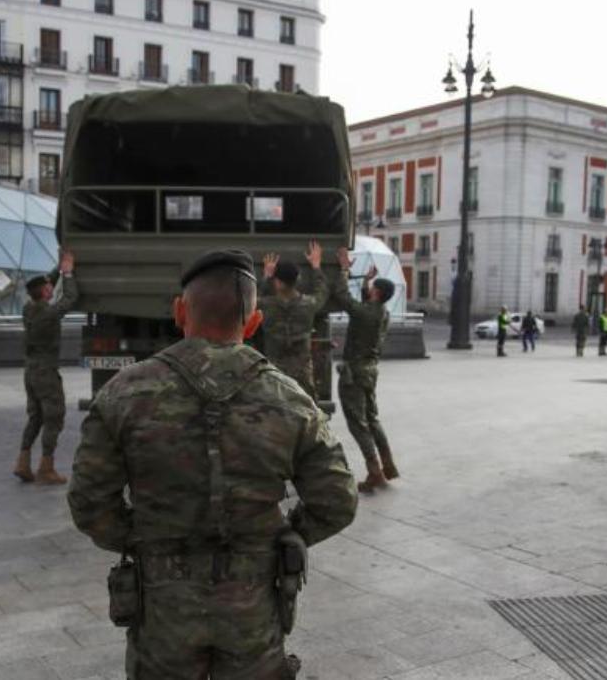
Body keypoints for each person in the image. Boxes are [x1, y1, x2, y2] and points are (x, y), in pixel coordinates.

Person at [68, 249, 357, 679]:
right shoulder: (293, 401)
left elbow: (89, 503)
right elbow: (337, 500)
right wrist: (286, 535)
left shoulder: (123, 394)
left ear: (180, 312)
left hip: (162, 607)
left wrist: (143, 538)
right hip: (253, 602)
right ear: (255, 322)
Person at [331, 248, 397, 493]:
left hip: (355, 373)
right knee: (372, 419)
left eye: (372, 288)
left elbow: (342, 295)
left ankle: (374, 473)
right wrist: (368, 281)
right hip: (370, 371)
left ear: (376, 293)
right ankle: (388, 466)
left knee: (358, 423)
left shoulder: (365, 313)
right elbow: (364, 305)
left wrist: (344, 268)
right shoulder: (382, 313)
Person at [14, 250, 78, 485]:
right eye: (48, 287)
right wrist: (68, 273)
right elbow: (70, 298)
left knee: (35, 417)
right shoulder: (49, 314)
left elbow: (46, 284)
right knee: (54, 416)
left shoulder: (29, 309)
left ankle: (22, 462)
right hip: (46, 372)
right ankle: (46, 467)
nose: (51, 287)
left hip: (30, 371)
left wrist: (59, 268)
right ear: (45, 292)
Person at [257, 241, 328, 398]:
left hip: (274, 372)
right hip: (301, 372)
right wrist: (316, 266)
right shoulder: (309, 304)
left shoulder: (266, 305)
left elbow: (251, 301)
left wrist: (266, 277)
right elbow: (322, 291)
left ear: (277, 282)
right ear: (297, 281)